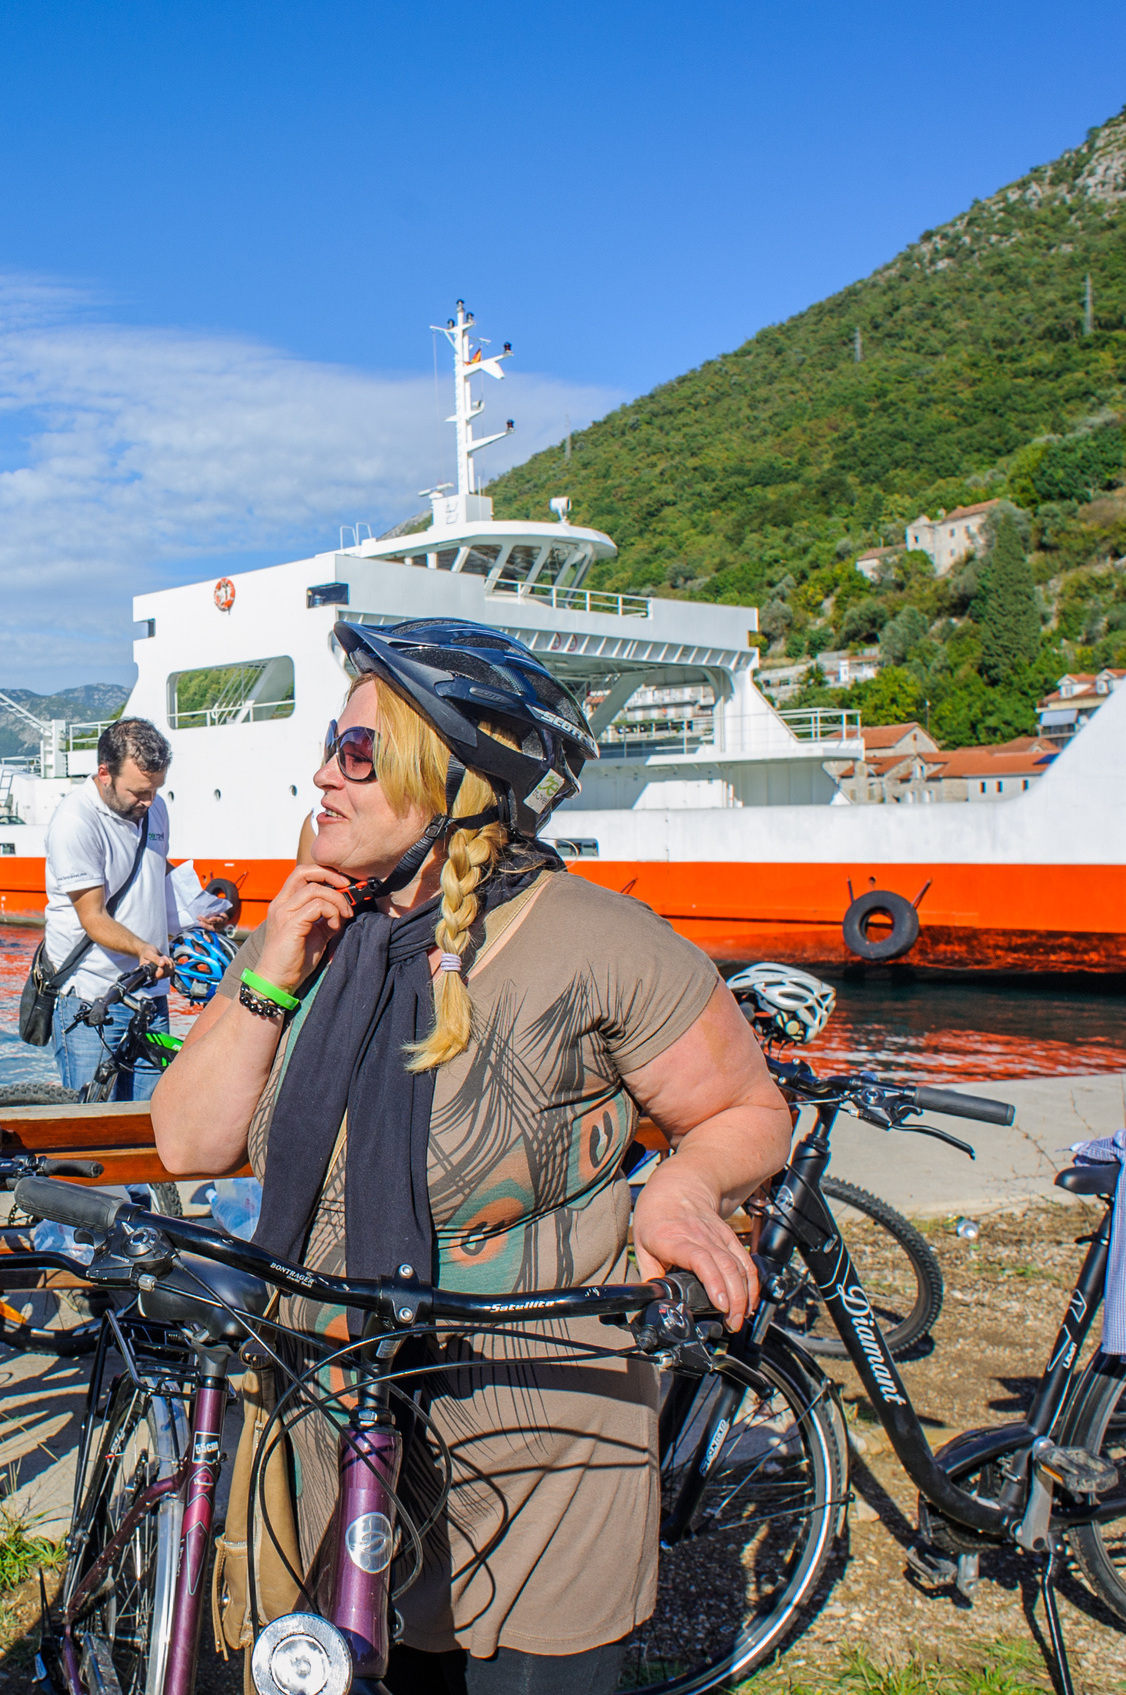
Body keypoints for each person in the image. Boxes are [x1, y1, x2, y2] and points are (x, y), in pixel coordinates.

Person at [151, 618, 792, 1695]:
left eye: (357, 753)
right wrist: (267, 970)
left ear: (453, 780)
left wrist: (679, 1192)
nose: (322, 773)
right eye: (329, 743)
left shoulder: (598, 942)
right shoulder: (313, 937)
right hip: (326, 1420)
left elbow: (743, 1110)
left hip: (536, 1435)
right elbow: (190, 1142)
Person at [39, 716, 179, 1098]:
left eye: (155, 789)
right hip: (93, 998)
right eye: (138, 792)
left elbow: (156, 871)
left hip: (150, 995)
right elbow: (94, 917)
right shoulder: (75, 822)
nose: (149, 802)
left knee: (154, 1120)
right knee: (90, 1124)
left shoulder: (154, 808)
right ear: (104, 773)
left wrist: (189, 922)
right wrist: (142, 949)